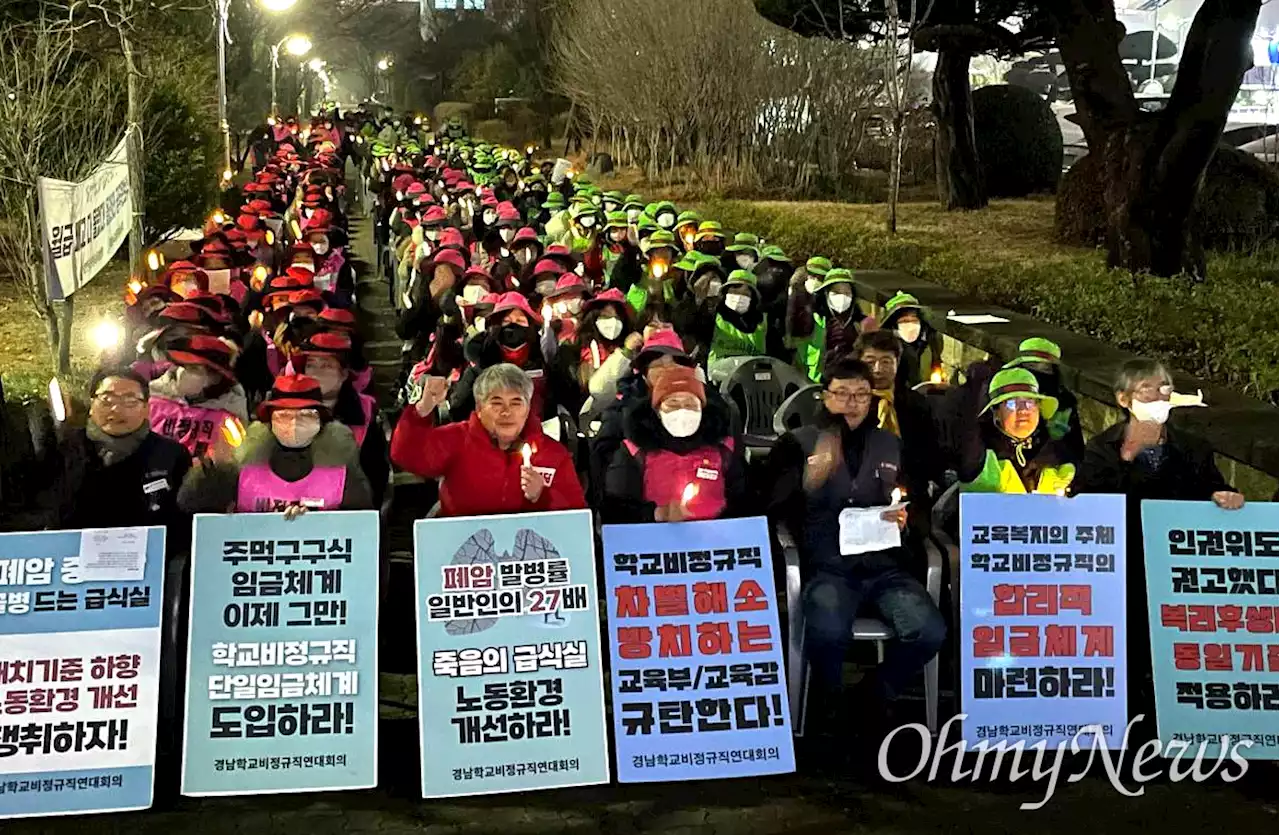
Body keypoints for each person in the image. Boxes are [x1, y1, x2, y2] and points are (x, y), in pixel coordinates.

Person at [763, 358, 945, 734]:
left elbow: (917, 503)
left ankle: (874, 694)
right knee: (827, 630)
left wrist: (909, 520)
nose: (852, 402)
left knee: (929, 631)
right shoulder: (798, 443)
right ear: (825, 396)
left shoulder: (890, 444)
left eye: (861, 394)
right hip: (828, 566)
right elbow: (770, 506)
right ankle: (828, 699)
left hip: (886, 568)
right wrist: (805, 482)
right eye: (842, 393)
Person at [390, 363, 586, 517]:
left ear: (528, 409)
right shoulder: (457, 439)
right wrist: (422, 410)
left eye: (516, 402)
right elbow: (406, 454)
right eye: (496, 403)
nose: (506, 412)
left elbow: (575, 518)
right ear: (480, 409)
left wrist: (542, 496)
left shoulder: (552, 454)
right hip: (464, 552)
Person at [35, 368, 192, 553]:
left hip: (146, 566)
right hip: (67, 561)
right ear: (92, 404)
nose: (117, 409)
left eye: (130, 401)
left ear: (147, 409)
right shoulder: (60, 450)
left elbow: (184, 522)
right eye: (107, 400)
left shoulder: (171, 455)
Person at [178, 373, 374, 515]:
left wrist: (317, 522)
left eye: (306, 416)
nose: (294, 423)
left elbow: (362, 527)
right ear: (269, 422)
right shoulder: (243, 465)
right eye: (284, 416)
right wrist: (211, 471)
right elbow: (189, 504)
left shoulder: (342, 472)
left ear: (321, 421)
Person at [604, 364, 746, 524]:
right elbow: (615, 508)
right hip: (655, 543)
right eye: (672, 404)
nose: (682, 411)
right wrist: (657, 514)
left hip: (717, 541)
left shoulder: (723, 449)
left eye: (690, 404)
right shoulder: (635, 451)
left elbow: (744, 502)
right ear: (658, 410)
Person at [854, 329, 944, 513]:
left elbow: (931, 455)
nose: (878, 369)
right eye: (870, 362)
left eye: (886, 362)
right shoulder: (849, 403)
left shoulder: (916, 405)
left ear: (897, 363)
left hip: (909, 495)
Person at [958, 368, 1077, 494]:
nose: (1023, 410)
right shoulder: (979, 456)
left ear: (1039, 408)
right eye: (1012, 404)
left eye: (1029, 402)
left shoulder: (1057, 454)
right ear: (996, 412)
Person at [148, 334, 249, 460]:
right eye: (181, 365)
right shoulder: (153, 405)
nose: (182, 372)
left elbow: (235, 460)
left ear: (214, 378)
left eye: (193, 368)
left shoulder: (228, 419)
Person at [877, 291, 941, 389]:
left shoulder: (930, 341)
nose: (910, 325)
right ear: (894, 325)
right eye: (904, 321)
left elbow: (936, 367)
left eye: (914, 320)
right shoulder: (883, 347)